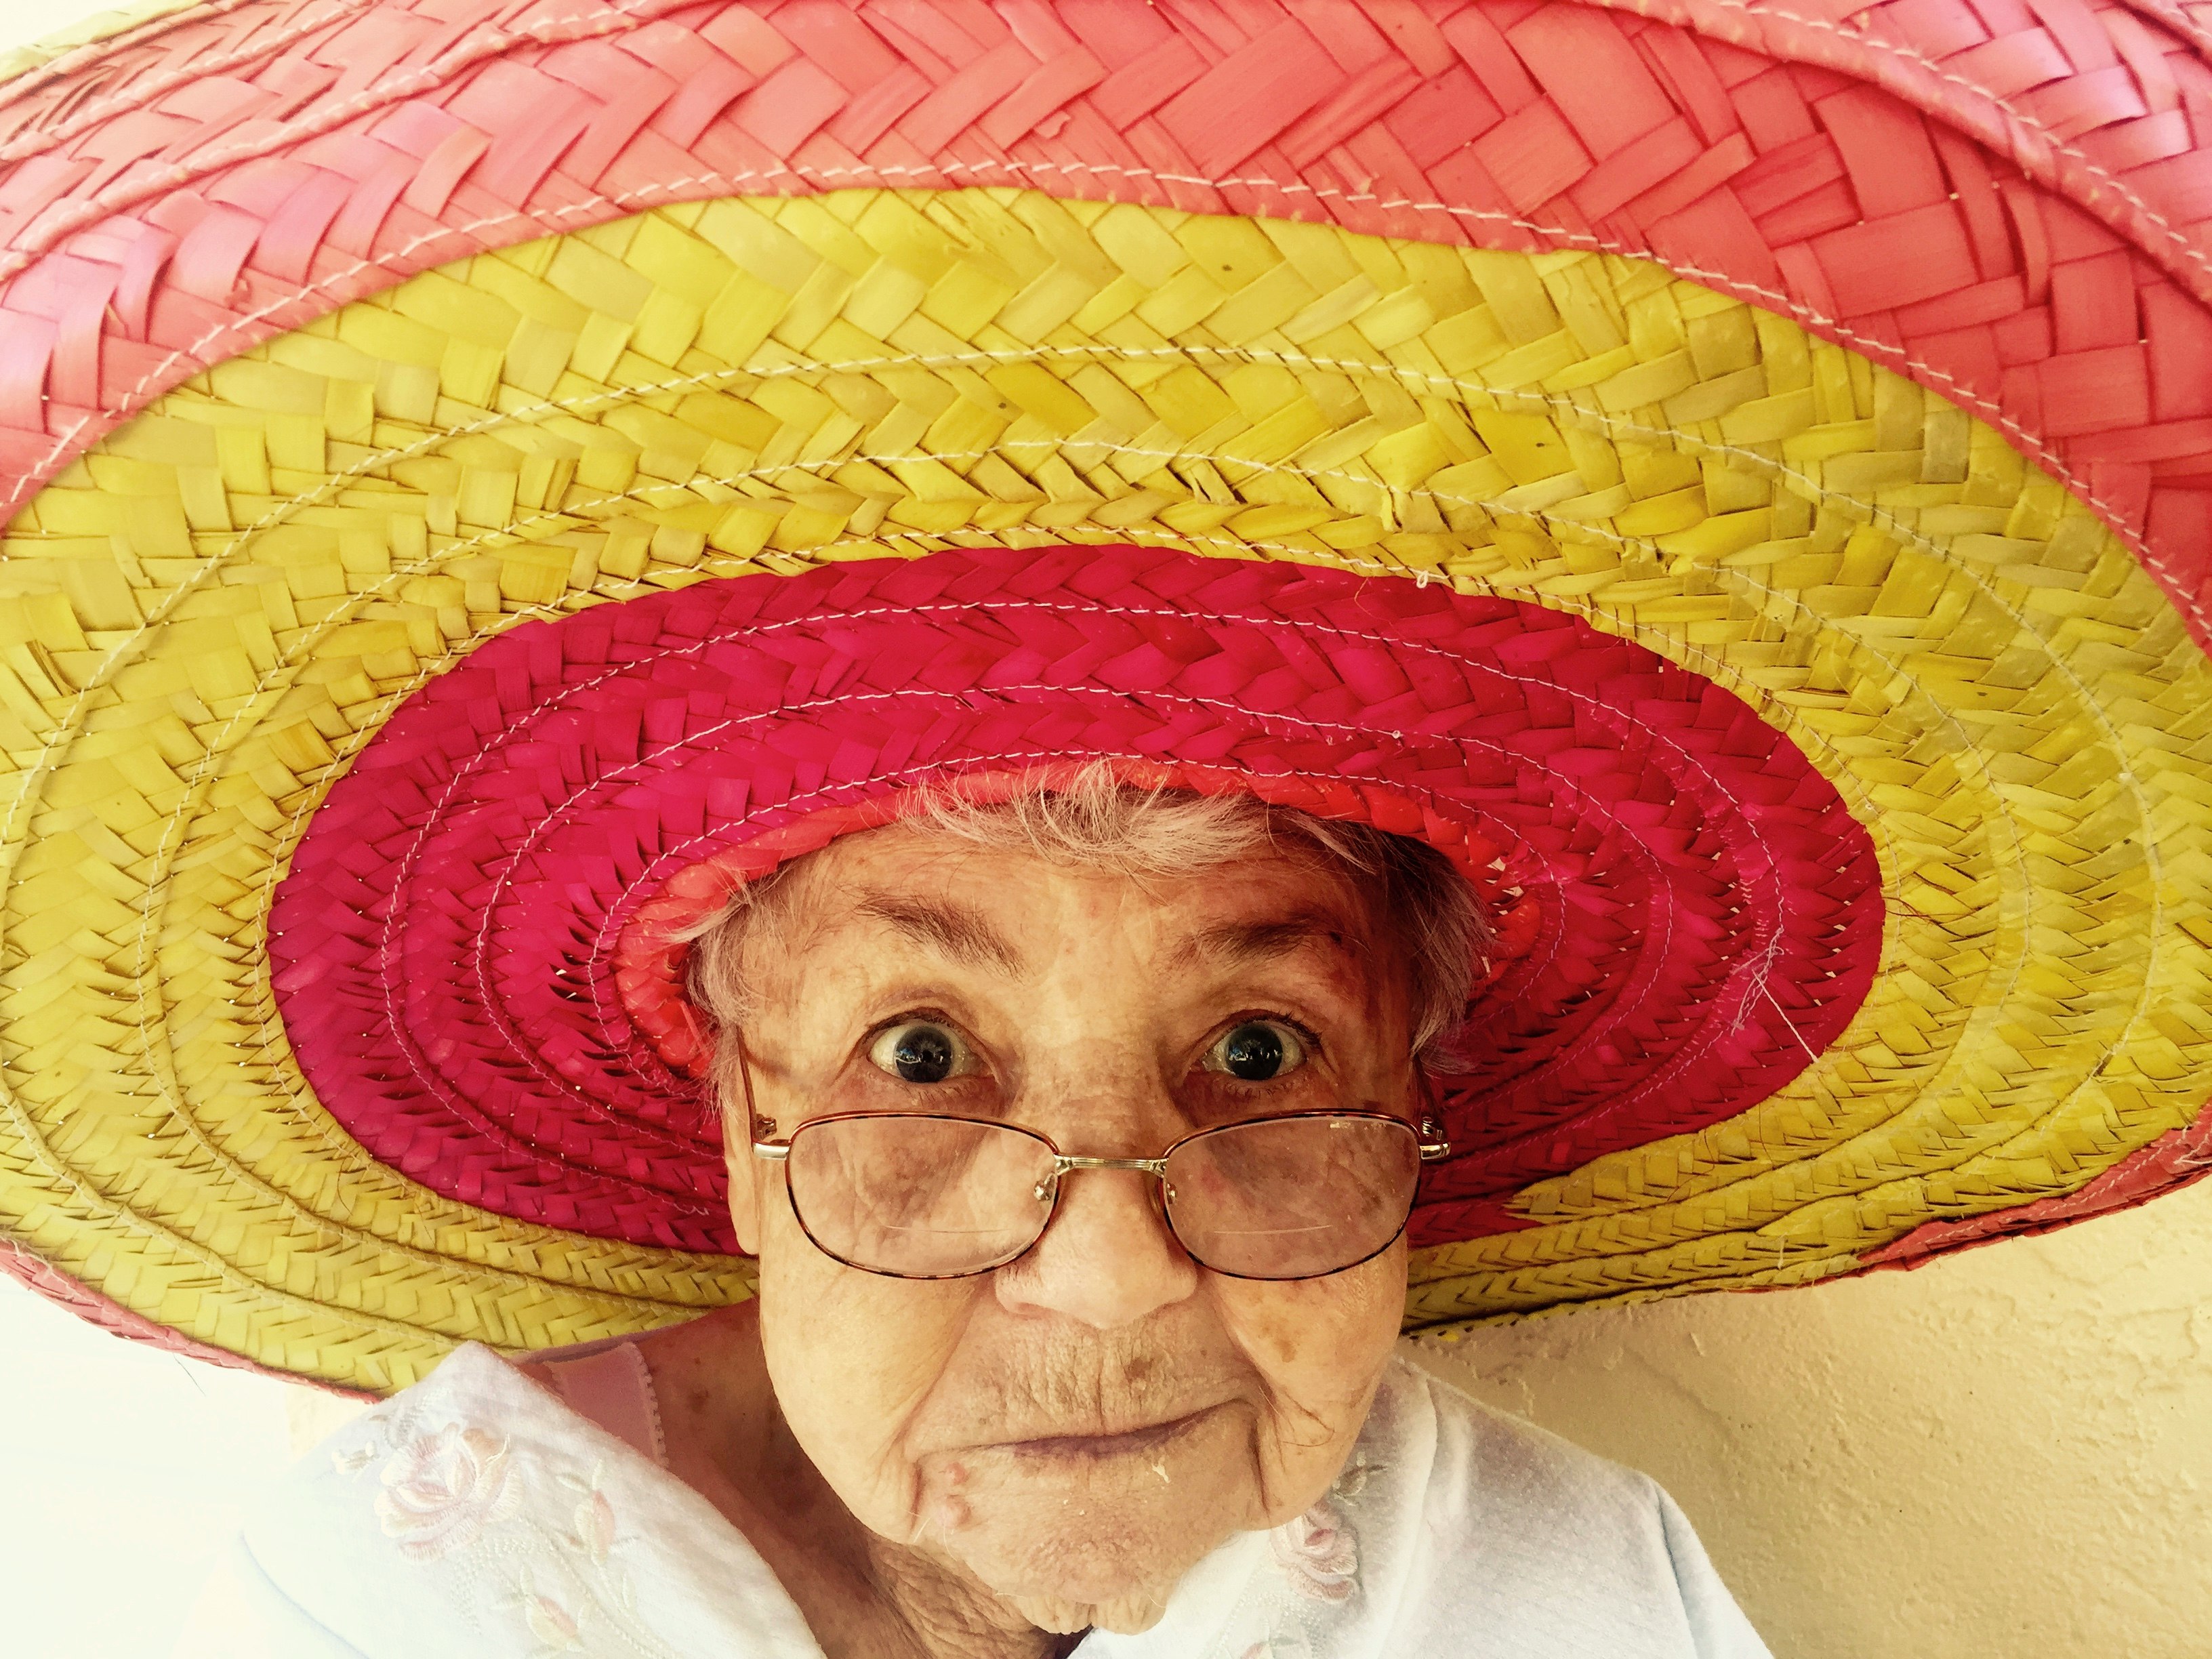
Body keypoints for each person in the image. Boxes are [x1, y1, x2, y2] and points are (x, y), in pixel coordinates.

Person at [173, 773, 1767, 1656]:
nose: (1110, 1278)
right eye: (921, 1056)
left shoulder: (1566, 1587)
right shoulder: (377, 1611)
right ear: (744, 1130)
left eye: (1260, 1052)